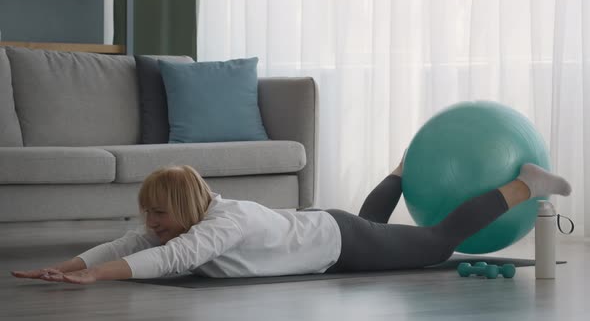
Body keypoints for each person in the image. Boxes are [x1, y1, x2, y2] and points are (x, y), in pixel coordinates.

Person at [11, 153, 572, 285]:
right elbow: (128, 243)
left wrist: (90, 280)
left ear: (182, 209)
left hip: (336, 241)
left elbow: (168, 258)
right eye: (149, 213)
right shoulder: (191, 219)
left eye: (157, 212)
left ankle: (527, 182)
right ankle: (398, 172)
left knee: (436, 242)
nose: (150, 222)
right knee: (371, 225)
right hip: (323, 226)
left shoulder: (218, 227)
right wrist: (62, 267)